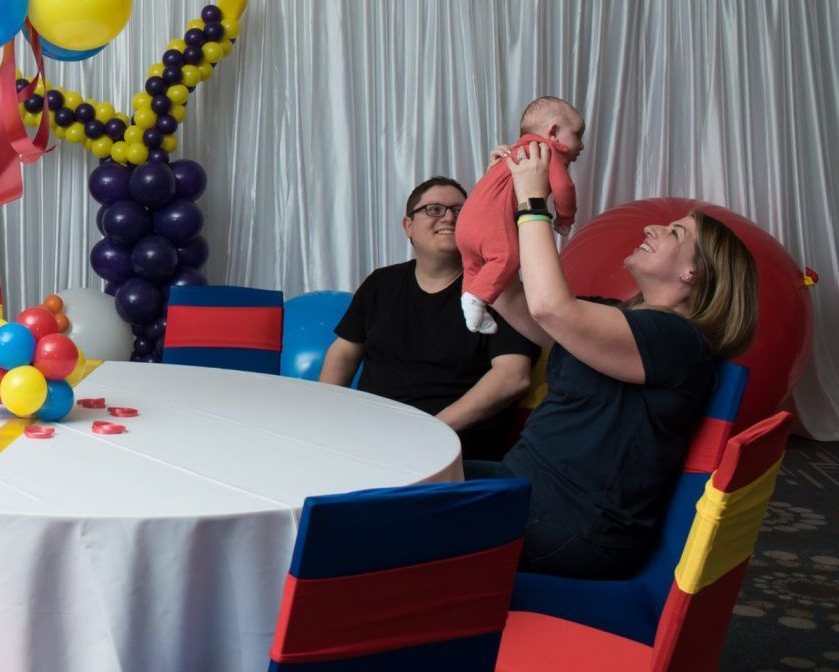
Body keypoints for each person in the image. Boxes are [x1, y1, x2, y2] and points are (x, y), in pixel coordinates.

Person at [469, 142, 758, 577]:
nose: (653, 228)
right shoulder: (617, 318)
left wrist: (534, 201)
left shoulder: (677, 341)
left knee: (388, 520)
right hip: (527, 488)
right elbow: (509, 296)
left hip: (574, 527)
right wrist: (498, 198)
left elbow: (551, 307)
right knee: (402, 475)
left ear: (692, 274)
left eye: (674, 233)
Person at [321, 176, 539, 460]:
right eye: (434, 209)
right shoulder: (381, 283)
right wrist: (323, 416)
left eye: (460, 210)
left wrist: (434, 430)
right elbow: (343, 354)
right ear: (408, 226)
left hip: (452, 448)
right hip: (368, 438)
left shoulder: (500, 289)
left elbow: (513, 376)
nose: (449, 217)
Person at [458, 96, 585, 333]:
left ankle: (473, 306)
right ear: (553, 132)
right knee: (507, 258)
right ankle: (475, 298)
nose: (582, 145)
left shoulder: (510, 155)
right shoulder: (545, 151)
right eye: (578, 135)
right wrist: (565, 217)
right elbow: (564, 188)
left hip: (465, 224)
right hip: (487, 225)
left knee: (473, 263)